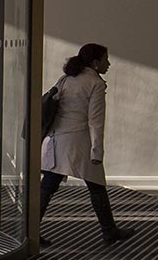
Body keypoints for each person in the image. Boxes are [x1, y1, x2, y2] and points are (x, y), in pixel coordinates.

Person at [38, 43, 134, 244]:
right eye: (105, 59)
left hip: (56, 140)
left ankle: (30, 230)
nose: (108, 64)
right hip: (78, 142)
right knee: (96, 185)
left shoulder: (66, 79)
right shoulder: (95, 84)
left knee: (48, 185)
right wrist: (97, 152)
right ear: (95, 62)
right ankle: (109, 231)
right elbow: (95, 121)